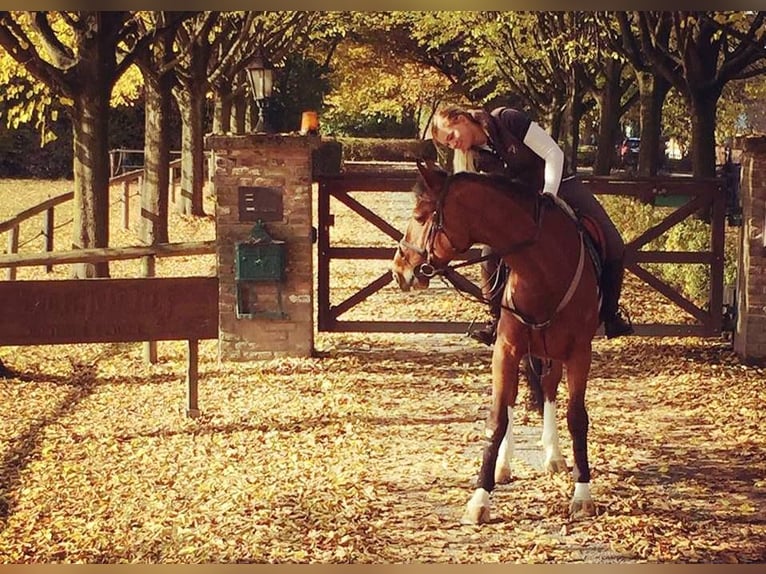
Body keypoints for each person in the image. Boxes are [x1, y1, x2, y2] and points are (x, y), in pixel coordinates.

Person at [430, 103, 634, 343]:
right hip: (522, 205)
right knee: (490, 253)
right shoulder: (473, 159)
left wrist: (549, 195)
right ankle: (495, 319)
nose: (452, 144)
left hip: (559, 185)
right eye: (447, 144)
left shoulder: (507, 119)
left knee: (614, 243)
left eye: (451, 136)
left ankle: (611, 314)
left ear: (462, 118)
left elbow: (553, 154)